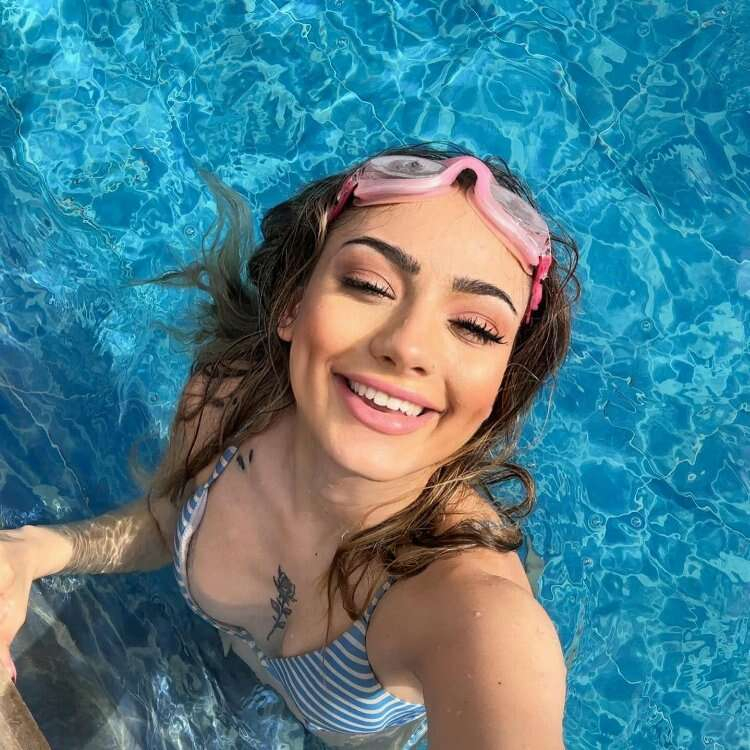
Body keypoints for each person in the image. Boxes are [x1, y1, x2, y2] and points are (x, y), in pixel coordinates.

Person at [0, 142, 580, 749]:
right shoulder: (230, 398)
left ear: (500, 389)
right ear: (293, 306)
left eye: (474, 327)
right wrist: (33, 550)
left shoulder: (469, 608)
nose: (408, 346)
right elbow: (165, 518)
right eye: (369, 284)